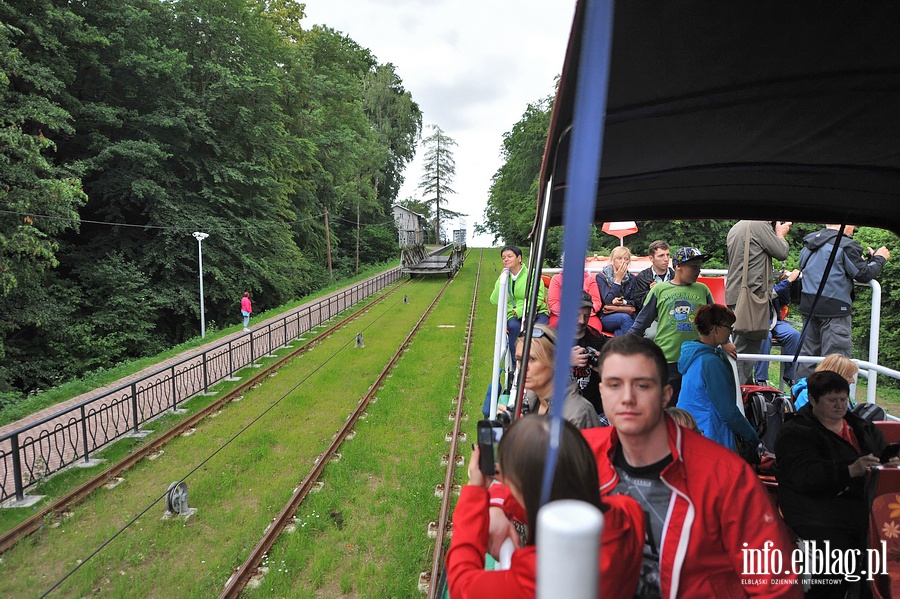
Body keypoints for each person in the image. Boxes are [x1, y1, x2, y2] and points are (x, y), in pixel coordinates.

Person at [447, 416, 644, 599]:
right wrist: (499, 504)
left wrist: (475, 491)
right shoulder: (629, 512)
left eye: (511, 485)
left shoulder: (537, 575)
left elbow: (461, 584)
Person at [775, 370, 895, 597]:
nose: (840, 406)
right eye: (832, 400)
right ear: (812, 400)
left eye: (843, 399)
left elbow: (882, 452)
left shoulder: (860, 426)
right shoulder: (795, 433)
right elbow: (805, 477)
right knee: (840, 559)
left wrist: (891, 460)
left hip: (863, 506)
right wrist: (849, 471)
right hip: (815, 510)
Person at [630, 246, 736, 404]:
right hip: (668, 358)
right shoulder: (660, 290)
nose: (698, 271)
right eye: (693, 267)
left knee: (694, 402)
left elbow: (715, 320)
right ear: (678, 266)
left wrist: (725, 342)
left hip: (697, 358)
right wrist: (624, 345)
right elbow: (641, 322)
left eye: (699, 267)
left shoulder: (703, 289)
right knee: (667, 404)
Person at [797, 224, 890, 378]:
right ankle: (833, 398)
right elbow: (863, 274)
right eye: (852, 225)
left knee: (807, 357)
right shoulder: (845, 245)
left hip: (808, 306)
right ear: (844, 225)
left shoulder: (810, 243)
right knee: (836, 359)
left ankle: (801, 397)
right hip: (835, 311)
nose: (853, 229)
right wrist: (879, 259)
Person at [677, 304, 759, 452]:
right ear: (716, 329)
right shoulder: (711, 362)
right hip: (710, 437)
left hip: (690, 434)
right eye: (729, 327)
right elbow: (728, 412)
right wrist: (752, 437)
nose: (730, 332)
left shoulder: (694, 354)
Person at [725, 220, 791, 385]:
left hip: (737, 295)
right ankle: (737, 397)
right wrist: (780, 235)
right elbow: (781, 252)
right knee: (745, 353)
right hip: (751, 300)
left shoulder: (737, 227)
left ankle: (742, 394)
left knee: (739, 349)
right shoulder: (758, 225)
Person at [511, 324, 600, 429]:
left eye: (531, 359)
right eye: (519, 359)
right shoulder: (527, 402)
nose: (523, 367)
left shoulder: (578, 414)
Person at [490, 245, 550, 362]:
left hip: (535, 312)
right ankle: (516, 362)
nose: (506, 259)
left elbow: (537, 298)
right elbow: (495, 300)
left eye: (509, 256)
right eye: (503, 257)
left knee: (538, 329)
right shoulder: (505, 278)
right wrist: (501, 279)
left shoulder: (532, 275)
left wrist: (519, 311)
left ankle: (540, 362)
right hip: (513, 315)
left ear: (519, 258)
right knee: (514, 327)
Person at [753, 269, 801, 386]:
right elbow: (767, 295)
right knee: (765, 336)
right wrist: (788, 281)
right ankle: (761, 378)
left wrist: (782, 283)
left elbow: (782, 300)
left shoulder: (771, 284)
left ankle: (790, 375)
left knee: (794, 335)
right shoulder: (751, 281)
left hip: (774, 320)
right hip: (757, 320)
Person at [569, 290, 606, 415]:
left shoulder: (597, 338)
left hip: (593, 408)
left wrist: (604, 365)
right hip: (564, 409)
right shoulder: (553, 338)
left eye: (586, 316)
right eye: (577, 315)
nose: (582, 321)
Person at [791, 353, 859, 410]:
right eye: (850, 376)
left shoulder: (847, 397)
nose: (853, 381)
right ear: (837, 376)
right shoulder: (806, 396)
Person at [596, 246, 637, 336]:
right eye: (619, 258)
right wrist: (618, 280)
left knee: (619, 332)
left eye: (626, 259)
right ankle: (632, 348)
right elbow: (606, 300)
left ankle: (620, 348)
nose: (623, 261)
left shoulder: (632, 278)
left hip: (626, 312)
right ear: (613, 260)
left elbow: (635, 302)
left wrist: (624, 301)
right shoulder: (602, 277)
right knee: (625, 319)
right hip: (607, 315)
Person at [633, 240, 674, 312]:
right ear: (651, 258)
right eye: (661, 256)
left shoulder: (675, 275)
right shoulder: (642, 277)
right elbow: (639, 304)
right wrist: (651, 292)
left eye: (667, 255)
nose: (666, 259)